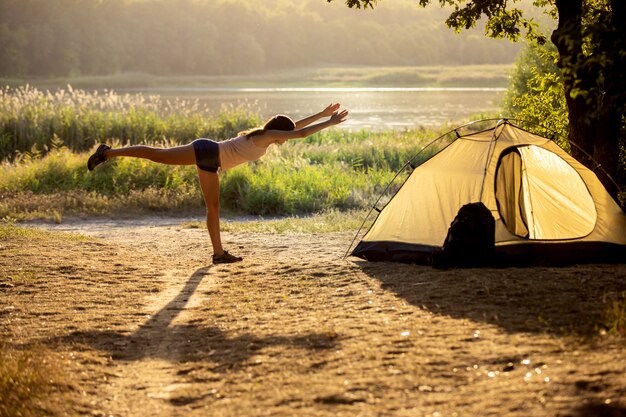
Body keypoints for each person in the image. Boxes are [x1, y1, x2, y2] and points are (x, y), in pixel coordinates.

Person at [87, 103, 349, 264]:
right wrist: (330, 122)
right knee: (157, 155)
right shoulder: (266, 135)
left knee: (213, 208)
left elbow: (296, 128)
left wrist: (322, 113)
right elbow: (300, 133)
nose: (284, 140)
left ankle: (218, 254)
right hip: (207, 152)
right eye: (283, 135)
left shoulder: (265, 135)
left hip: (212, 161)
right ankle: (108, 153)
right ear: (277, 131)